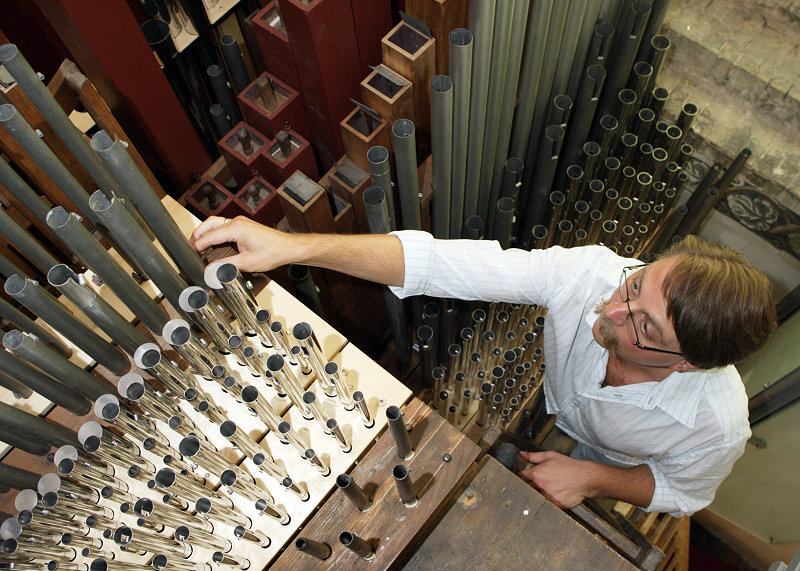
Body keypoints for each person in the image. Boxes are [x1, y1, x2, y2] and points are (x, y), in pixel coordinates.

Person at [190, 216, 776, 517]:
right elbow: (440, 263)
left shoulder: (717, 426)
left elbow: (681, 489)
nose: (611, 309)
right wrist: (296, 246)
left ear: (689, 363)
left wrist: (594, 478)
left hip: (618, 455)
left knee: (593, 463)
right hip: (559, 405)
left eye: (643, 327)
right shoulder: (595, 274)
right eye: (637, 282)